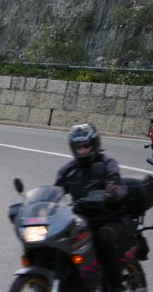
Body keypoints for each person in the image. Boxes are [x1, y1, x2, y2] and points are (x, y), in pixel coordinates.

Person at [54, 123, 131, 292]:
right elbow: (55, 192)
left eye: (86, 146)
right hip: (84, 220)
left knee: (103, 237)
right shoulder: (68, 170)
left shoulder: (107, 163)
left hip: (111, 218)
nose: (82, 151)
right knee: (61, 242)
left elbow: (117, 183)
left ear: (94, 144)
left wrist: (110, 194)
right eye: (78, 147)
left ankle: (117, 287)